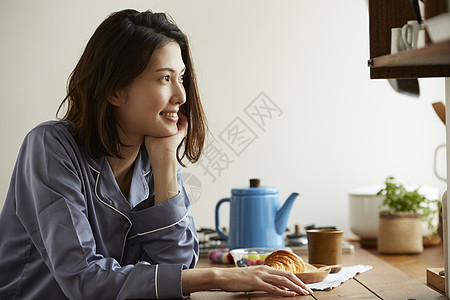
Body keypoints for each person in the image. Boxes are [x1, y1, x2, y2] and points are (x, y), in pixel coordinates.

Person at [0, 9, 313, 299]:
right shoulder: (49, 147)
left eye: (181, 77)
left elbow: (177, 267)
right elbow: (84, 279)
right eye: (165, 78)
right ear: (114, 91)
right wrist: (215, 277)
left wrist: (165, 161)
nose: (181, 95)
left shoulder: (153, 152)